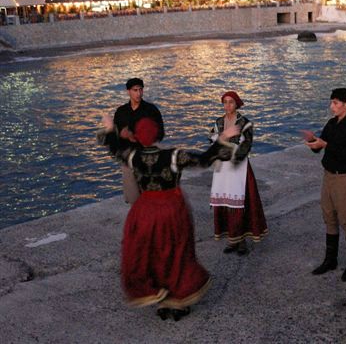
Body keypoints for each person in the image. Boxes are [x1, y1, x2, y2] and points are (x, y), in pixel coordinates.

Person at [98, 116, 239, 321]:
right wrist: (223, 137)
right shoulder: (174, 156)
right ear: (158, 134)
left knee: (152, 253)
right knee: (176, 252)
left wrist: (111, 128)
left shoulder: (132, 156)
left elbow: (114, 149)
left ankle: (161, 300)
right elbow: (204, 160)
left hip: (145, 211)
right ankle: (177, 300)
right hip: (172, 210)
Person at [304, 88, 346, 282]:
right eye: (331, 103)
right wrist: (313, 141)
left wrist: (326, 145)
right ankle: (330, 260)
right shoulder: (331, 124)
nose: (332, 107)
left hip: (343, 178)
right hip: (328, 176)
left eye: (336, 103)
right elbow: (320, 148)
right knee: (329, 217)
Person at [209, 91, 268, 255]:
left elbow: (246, 145)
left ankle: (241, 240)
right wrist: (224, 137)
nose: (227, 106)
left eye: (231, 102)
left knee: (241, 204)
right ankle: (231, 239)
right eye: (225, 102)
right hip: (222, 169)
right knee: (225, 204)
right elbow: (211, 140)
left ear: (237, 104)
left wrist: (232, 155)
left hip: (238, 169)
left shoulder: (245, 123)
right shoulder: (218, 122)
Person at [112, 78, 164, 204]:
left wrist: (140, 137)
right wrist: (122, 136)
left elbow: (160, 133)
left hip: (147, 155)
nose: (139, 93)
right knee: (133, 197)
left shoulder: (151, 110)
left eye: (141, 90)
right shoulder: (121, 112)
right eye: (135, 90)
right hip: (128, 156)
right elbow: (114, 136)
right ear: (128, 92)